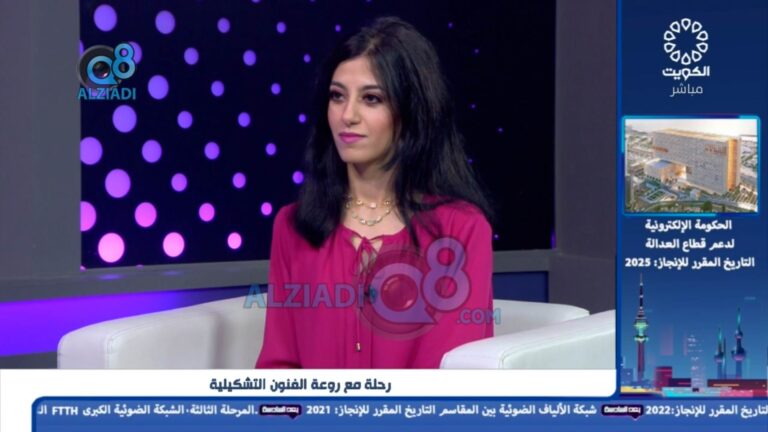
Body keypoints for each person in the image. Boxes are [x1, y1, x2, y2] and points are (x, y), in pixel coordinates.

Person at [256, 17, 494, 368]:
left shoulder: (461, 230)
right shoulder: (293, 226)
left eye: (371, 99)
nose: (347, 115)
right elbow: (280, 365)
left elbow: (450, 377)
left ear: (411, 112)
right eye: (337, 96)